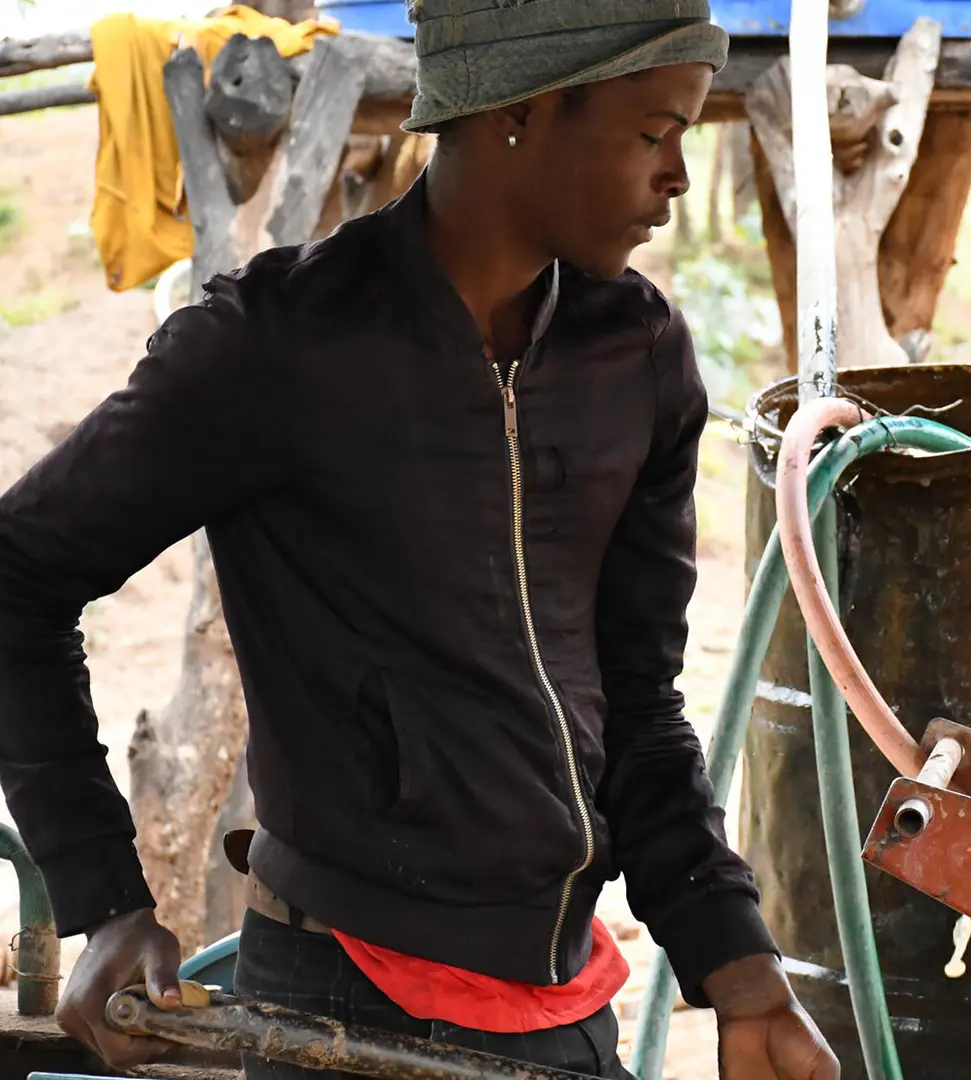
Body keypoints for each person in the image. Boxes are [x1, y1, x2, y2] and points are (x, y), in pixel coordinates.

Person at [0, 2, 836, 1078]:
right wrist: (102, 898)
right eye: (654, 132)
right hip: (338, 1009)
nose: (677, 176)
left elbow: (638, 705)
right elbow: (18, 575)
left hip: (565, 1013)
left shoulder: (638, 358)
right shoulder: (279, 350)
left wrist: (739, 968)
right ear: (522, 112)